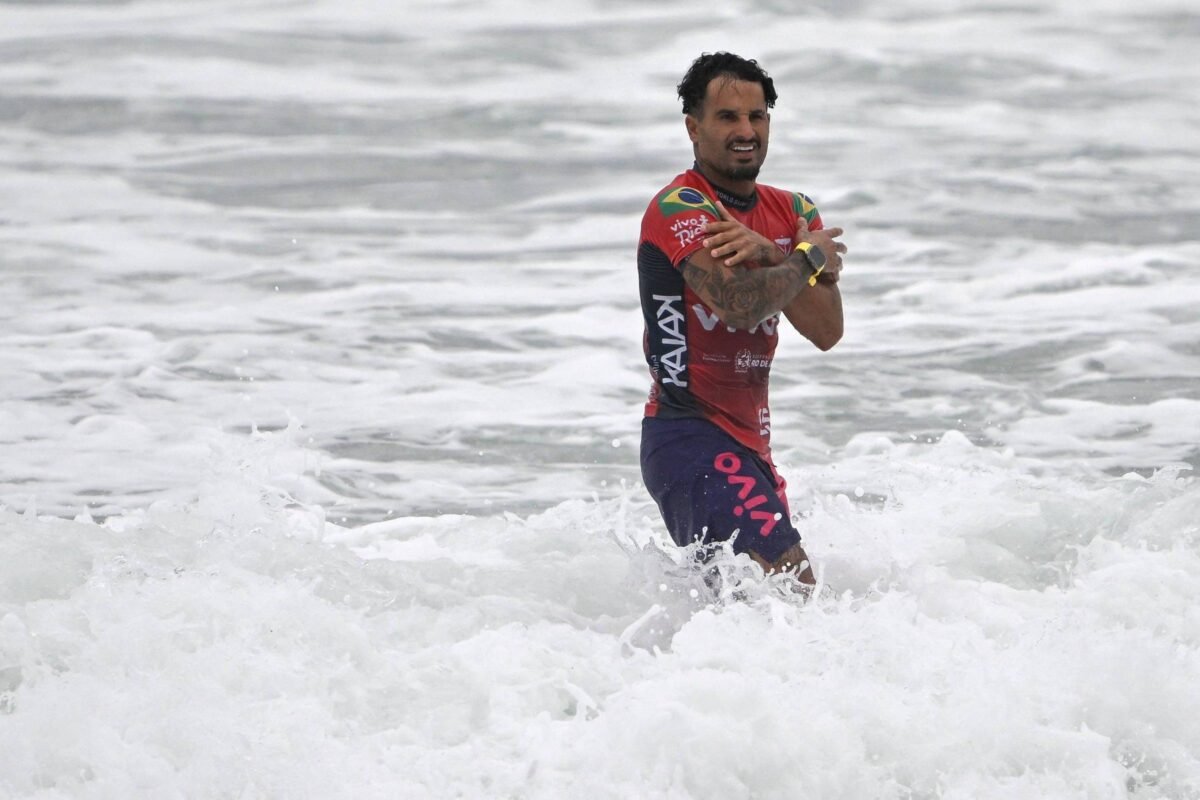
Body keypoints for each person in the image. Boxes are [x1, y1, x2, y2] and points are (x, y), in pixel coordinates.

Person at [638, 52, 847, 587]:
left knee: (750, 611)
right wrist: (805, 259)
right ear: (694, 126)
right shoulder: (681, 208)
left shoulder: (795, 212)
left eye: (757, 116)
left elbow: (826, 330)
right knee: (794, 588)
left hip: (752, 450)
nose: (745, 130)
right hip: (688, 434)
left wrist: (774, 254)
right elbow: (739, 304)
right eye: (728, 117)